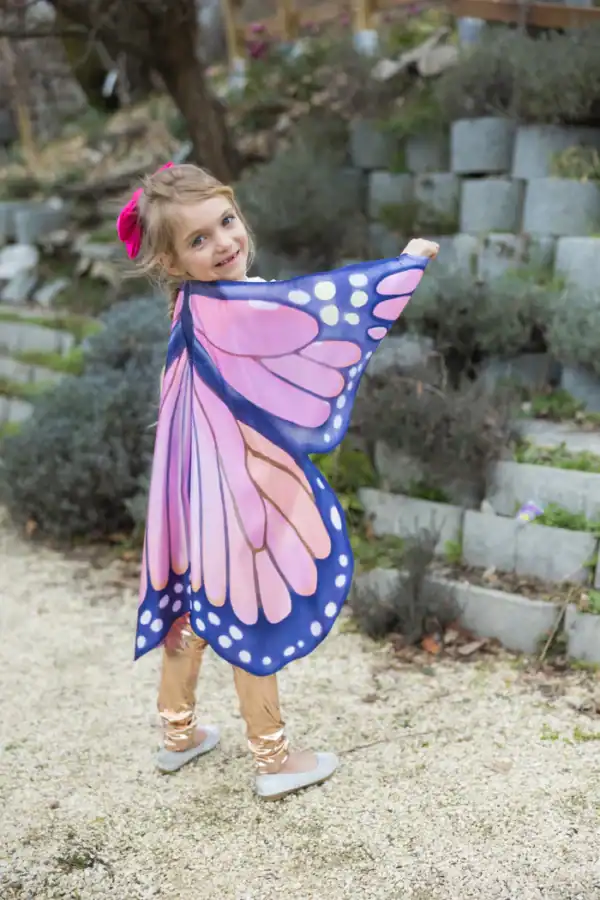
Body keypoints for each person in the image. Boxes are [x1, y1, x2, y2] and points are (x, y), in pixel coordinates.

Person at [116, 162, 438, 801]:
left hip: (189, 483)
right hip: (235, 488)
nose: (224, 243)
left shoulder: (191, 305)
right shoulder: (235, 306)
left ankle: (177, 732)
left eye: (226, 222)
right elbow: (322, 318)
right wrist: (403, 269)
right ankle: (273, 756)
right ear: (171, 262)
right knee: (246, 603)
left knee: (191, 604)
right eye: (198, 240)